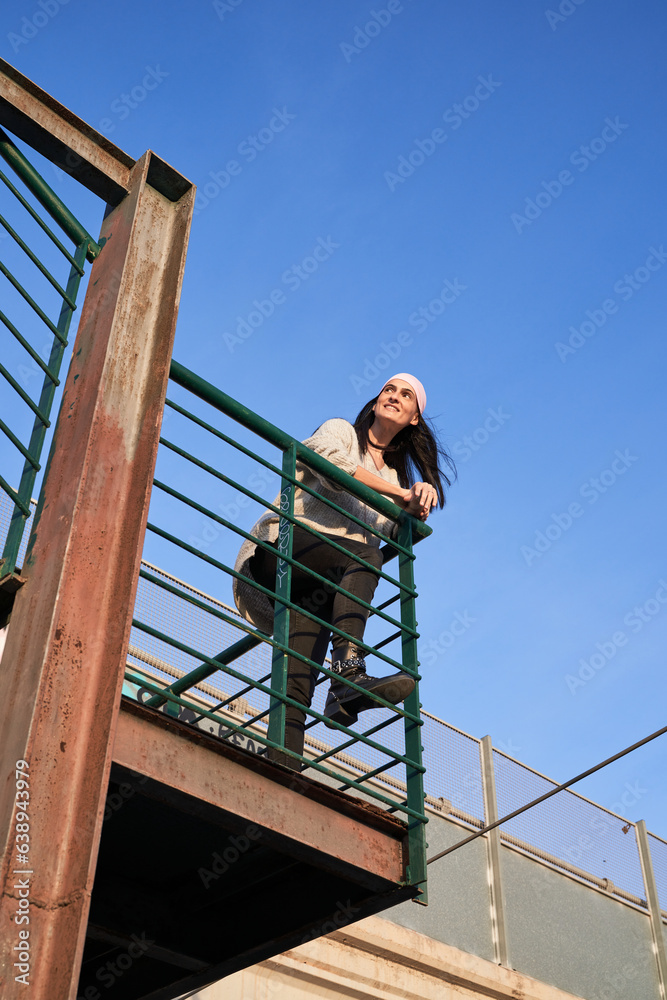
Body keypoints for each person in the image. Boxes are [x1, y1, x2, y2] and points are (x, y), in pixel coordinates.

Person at [233, 374, 455, 769]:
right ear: (375, 401)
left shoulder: (394, 480)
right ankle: (348, 676)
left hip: (319, 583)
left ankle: (283, 775)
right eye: (389, 389)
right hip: (281, 551)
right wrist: (400, 494)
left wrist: (416, 500)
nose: (394, 397)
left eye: (406, 396)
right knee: (365, 558)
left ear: (414, 419)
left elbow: (388, 529)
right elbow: (330, 465)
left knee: (295, 689)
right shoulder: (341, 431)